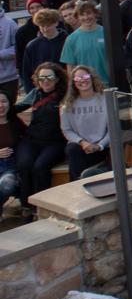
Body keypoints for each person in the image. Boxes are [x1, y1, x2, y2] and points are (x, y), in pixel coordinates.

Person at [14, 63, 67, 215]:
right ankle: (26, 205)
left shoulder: (64, 95)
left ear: (57, 79)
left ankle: (41, 206)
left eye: (49, 77)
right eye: (41, 77)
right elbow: (17, 108)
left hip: (55, 142)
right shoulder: (35, 93)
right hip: (32, 140)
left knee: (40, 167)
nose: (45, 80)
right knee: (24, 164)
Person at [59, 65, 109, 179]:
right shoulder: (67, 105)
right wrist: (82, 142)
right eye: (77, 78)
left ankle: (79, 182)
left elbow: (113, 128)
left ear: (92, 78)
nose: (82, 80)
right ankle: (78, 184)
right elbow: (66, 130)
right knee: (72, 149)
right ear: (73, 83)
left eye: (85, 76)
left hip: (102, 147)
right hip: (80, 148)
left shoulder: (105, 99)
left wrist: (99, 146)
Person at [59, 0, 108, 83]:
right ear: (77, 17)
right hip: (85, 86)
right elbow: (70, 67)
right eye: (82, 15)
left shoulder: (107, 33)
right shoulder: (71, 39)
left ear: (95, 14)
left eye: (89, 13)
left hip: (108, 85)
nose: (86, 18)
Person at [0, 92, 20, 208]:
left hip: (10, 166)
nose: (1, 105)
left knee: (7, 184)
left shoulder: (15, 122)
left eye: (3, 101)